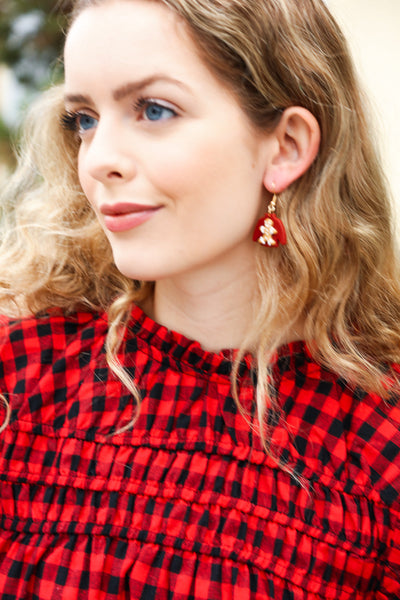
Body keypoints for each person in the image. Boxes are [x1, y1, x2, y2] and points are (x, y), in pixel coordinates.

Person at [0, 0, 399, 597]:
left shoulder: (378, 449)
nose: (99, 159)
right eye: (84, 119)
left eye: (154, 110)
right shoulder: (20, 379)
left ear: (286, 146)